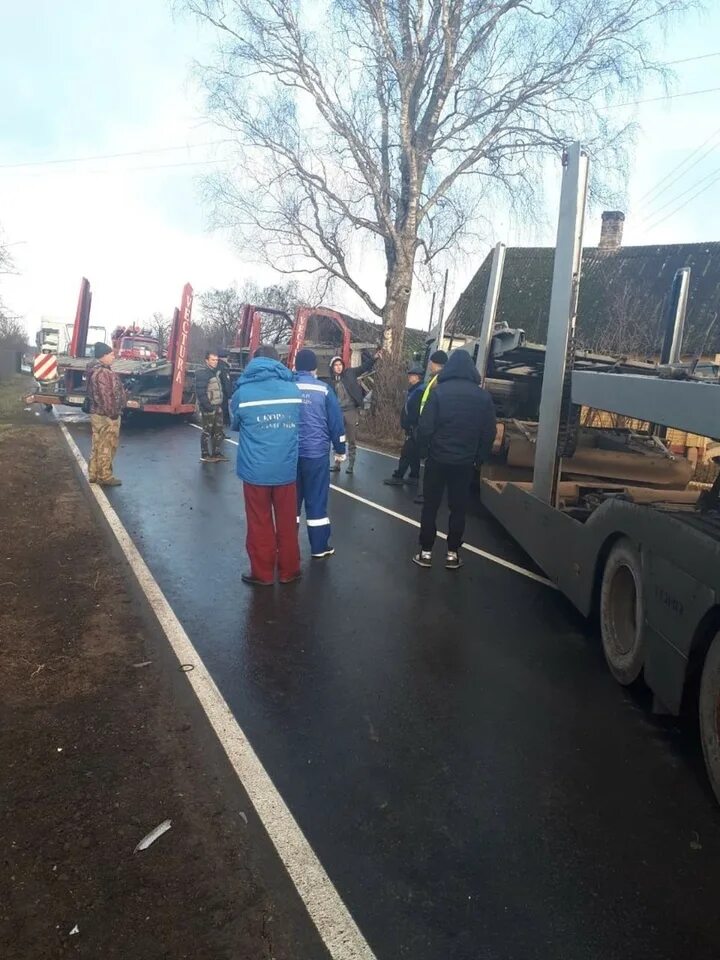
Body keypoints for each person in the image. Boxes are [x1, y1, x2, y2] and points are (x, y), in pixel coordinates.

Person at [413, 349, 496, 570]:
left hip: (438, 459)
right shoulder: (483, 397)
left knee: (430, 506)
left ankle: (426, 552)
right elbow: (489, 432)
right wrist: (480, 457)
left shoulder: (439, 392)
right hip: (464, 462)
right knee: (458, 508)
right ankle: (452, 553)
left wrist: (424, 451)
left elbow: (425, 427)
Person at [230, 344, 303, 586]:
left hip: (255, 470)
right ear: (278, 361)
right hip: (286, 469)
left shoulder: (242, 392)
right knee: (287, 520)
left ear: (254, 362)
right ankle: (289, 570)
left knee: (259, 521)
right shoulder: (293, 389)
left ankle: (262, 574)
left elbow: (235, 424)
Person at [294, 348, 346, 558]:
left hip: (291, 455)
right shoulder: (324, 390)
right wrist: (340, 450)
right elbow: (336, 424)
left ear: (296, 366)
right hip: (316, 455)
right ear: (315, 368)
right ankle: (319, 547)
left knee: (291, 504)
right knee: (316, 501)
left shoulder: (288, 387)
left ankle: (288, 546)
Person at [328, 347, 379, 475]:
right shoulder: (331, 382)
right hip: (338, 412)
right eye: (336, 365)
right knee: (339, 439)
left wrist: (374, 358)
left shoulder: (350, 373)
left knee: (351, 439)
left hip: (351, 411)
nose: (338, 367)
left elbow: (363, 368)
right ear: (332, 368)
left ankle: (351, 465)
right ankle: (337, 463)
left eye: (340, 364)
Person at [86, 342, 126, 487]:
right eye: (111, 354)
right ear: (103, 356)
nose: (113, 357)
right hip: (106, 415)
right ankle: (105, 476)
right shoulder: (103, 373)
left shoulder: (94, 370)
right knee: (107, 445)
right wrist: (113, 414)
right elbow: (106, 396)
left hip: (97, 413)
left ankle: (93, 473)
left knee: (97, 443)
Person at [413, 350, 448, 504]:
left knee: (430, 465)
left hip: (431, 428)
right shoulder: (436, 379)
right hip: (430, 425)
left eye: (430, 362)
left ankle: (425, 495)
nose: (429, 365)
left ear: (434, 363)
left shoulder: (438, 380)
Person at [383, 363, 425, 486]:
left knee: (406, 453)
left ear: (417, 377)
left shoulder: (418, 391)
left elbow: (414, 411)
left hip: (413, 428)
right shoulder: (416, 390)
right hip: (415, 428)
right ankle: (414, 476)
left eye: (411, 375)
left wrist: (408, 424)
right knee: (414, 453)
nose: (409, 377)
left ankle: (398, 476)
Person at [195, 351, 228, 463]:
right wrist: (208, 406)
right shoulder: (203, 373)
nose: (215, 362)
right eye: (213, 360)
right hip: (209, 408)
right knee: (207, 431)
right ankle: (205, 454)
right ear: (207, 360)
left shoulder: (215, 373)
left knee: (218, 431)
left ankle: (216, 453)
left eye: (216, 360)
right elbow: (200, 392)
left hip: (217, 406)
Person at [216, 349, 232, 427]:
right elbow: (226, 383)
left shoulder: (214, 366)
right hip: (222, 394)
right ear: (225, 357)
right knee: (222, 412)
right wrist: (229, 395)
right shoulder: (224, 367)